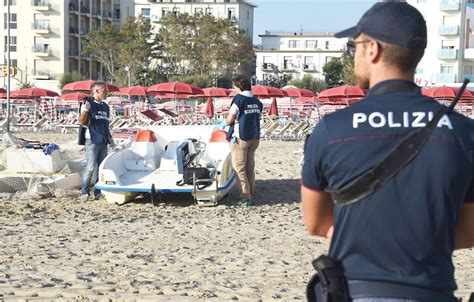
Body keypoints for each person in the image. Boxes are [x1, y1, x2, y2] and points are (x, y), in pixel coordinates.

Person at [301, 2, 473, 301]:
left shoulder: (332, 129)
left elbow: (315, 223)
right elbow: (469, 231)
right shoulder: (462, 131)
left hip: (357, 290)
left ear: (373, 50)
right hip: (432, 291)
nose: (353, 55)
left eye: (353, 47)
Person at [224, 75, 263, 206]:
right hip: (255, 137)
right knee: (249, 168)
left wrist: (224, 121)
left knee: (239, 167)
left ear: (239, 87)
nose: (233, 89)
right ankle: (251, 192)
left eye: (234, 86)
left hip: (241, 137)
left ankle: (246, 197)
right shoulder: (257, 101)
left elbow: (230, 120)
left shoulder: (239, 99)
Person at [79, 82, 114, 202]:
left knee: (101, 168)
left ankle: (97, 192)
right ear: (97, 91)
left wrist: (111, 140)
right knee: (90, 168)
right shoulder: (88, 103)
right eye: (105, 91)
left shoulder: (105, 106)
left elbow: (106, 125)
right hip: (92, 141)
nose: (106, 93)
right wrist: (85, 110)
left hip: (103, 141)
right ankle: (84, 192)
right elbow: (82, 122)